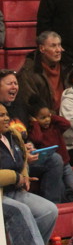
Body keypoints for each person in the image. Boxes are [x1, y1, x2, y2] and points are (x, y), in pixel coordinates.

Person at [0, 103, 63, 245]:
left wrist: (25, 176)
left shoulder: (12, 135)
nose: (6, 118)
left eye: (6, 114)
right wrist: (16, 177)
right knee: (20, 210)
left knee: (49, 210)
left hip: (14, 190)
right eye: (1, 116)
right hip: (2, 194)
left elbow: (22, 159)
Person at [0, 69, 64, 204]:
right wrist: (22, 156)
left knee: (55, 160)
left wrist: (28, 146)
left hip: (23, 156)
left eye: (16, 83)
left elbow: (25, 135)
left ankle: (53, 204)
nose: (14, 87)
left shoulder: (20, 106)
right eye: (9, 84)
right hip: (6, 164)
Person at [27, 101, 73, 202]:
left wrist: (52, 116)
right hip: (54, 166)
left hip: (65, 163)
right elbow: (37, 139)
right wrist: (35, 124)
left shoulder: (55, 127)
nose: (47, 120)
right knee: (60, 189)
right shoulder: (36, 131)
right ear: (35, 119)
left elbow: (67, 124)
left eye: (48, 116)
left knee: (72, 186)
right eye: (43, 118)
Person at [17, 31, 73, 112]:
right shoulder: (28, 72)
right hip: (45, 117)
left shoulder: (68, 67)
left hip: (68, 114)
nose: (58, 50)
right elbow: (30, 104)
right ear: (42, 48)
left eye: (59, 45)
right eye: (53, 46)